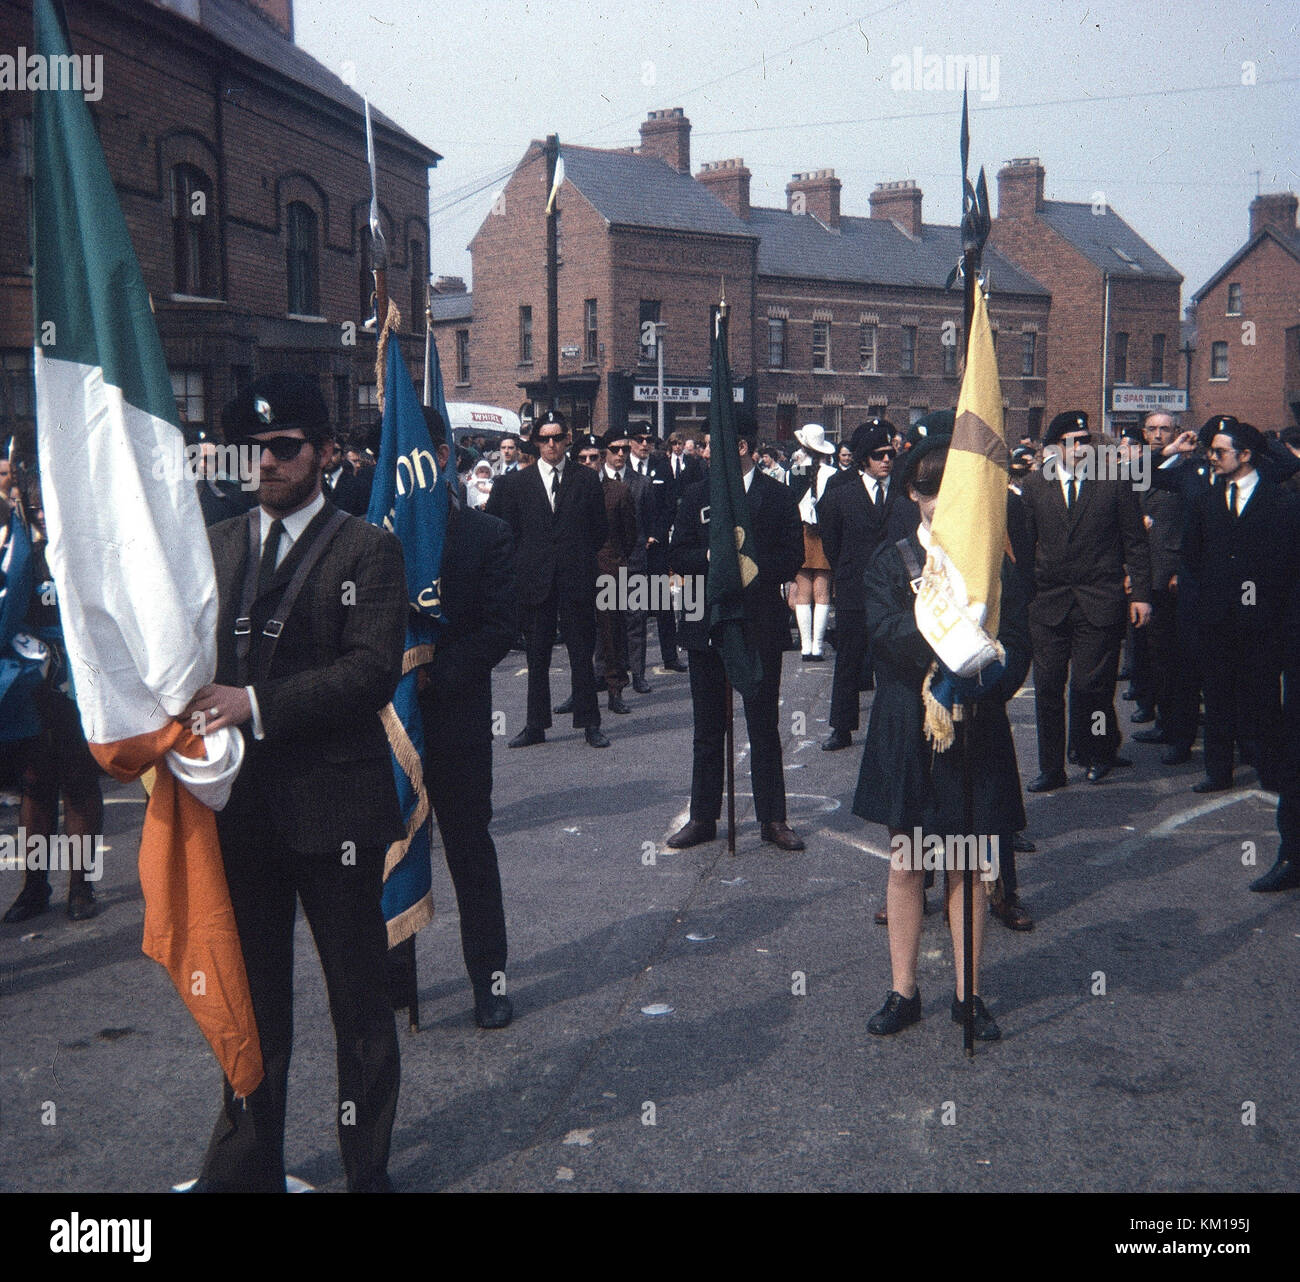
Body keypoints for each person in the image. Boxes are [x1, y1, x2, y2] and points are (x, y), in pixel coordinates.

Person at [183, 372, 407, 1193]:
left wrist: (253, 703)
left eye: (284, 448)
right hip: (241, 811)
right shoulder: (218, 544)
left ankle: (366, 1172)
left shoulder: (368, 547)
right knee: (252, 1008)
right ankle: (248, 1170)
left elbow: (372, 671)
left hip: (337, 809)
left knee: (358, 1009)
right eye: (255, 450)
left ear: (324, 453)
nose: (266, 464)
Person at [854, 438, 1032, 1041]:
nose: (938, 502)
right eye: (927, 491)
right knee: (908, 864)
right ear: (912, 494)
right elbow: (883, 637)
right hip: (911, 722)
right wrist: (950, 623)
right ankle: (903, 990)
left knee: (969, 865)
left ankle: (969, 993)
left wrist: (982, 679)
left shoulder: (991, 565)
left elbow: (1019, 648)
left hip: (975, 724)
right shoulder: (891, 560)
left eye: (949, 490)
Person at [416, 406, 517, 1026]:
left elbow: (500, 626)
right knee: (389, 852)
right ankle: (395, 983)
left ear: (446, 457)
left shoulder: (486, 536)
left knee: (469, 851)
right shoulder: (373, 535)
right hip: (385, 723)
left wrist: (438, 672)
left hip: (456, 717)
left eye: (423, 456)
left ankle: (490, 981)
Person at [666, 413, 805, 852]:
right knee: (708, 727)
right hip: (707, 622)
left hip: (758, 623)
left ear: (741, 447)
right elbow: (678, 553)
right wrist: (712, 556)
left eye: (712, 444)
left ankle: (773, 818)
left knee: (763, 725)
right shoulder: (695, 495)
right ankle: (703, 816)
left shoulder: (778, 496)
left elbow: (792, 556)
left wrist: (749, 564)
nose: (706, 453)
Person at [1019, 411, 1152, 790]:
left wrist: (1141, 595)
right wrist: (1024, 600)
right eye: (1071, 441)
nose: (1079, 448)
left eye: (1084, 440)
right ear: (1054, 448)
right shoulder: (1034, 485)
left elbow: (1135, 543)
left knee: (1091, 686)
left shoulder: (1113, 482)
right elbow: (1026, 549)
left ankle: (1097, 752)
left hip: (1099, 599)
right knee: (1047, 686)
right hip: (1049, 603)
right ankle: (1051, 768)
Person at [1, 475, 104, 924]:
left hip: (81, 687)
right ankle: (34, 887)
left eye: (51, 504)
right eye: (36, 505)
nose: (43, 512)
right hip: (31, 687)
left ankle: (82, 886)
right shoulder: (19, 552)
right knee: (35, 786)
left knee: (80, 785)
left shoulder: (96, 551)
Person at [1180, 418, 1297, 794]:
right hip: (1218, 617)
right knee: (1217, 695)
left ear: (1245, 455)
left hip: (1263, 619)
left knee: (1262, 696)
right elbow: (1193, 554)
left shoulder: (1280, 499)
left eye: (1220, 451)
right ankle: (1218, 770)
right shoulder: (1206, 500)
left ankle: (1269, 767)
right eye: (1211, 451)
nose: (1212, 458)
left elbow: (1287, 560)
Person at [485, 410, 610, 749]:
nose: (552, 444)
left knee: (581, 654)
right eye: (545, 438)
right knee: (536, 656)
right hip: (533, 581)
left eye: (557, 437)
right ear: (536, 442)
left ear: (567, 439)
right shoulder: (513, 484)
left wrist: (576, 556)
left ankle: (590, 722)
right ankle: (535, 725)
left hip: (576, 579)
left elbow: (599, 531)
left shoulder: (585, 480)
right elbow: (499, 533)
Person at [817, 419, 905, 751]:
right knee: (849, 659)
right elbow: (832, 543)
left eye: (890, 454)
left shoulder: (901, 491)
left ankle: (894, 726)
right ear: (863, 459)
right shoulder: (840, 495)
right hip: (855, 588)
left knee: (893, 661)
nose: (886, 460)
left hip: (893, 593)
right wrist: (847, 572)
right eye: (879, 455)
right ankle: (842, 727)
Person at [625, 424, 683, 679]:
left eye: (649, 440)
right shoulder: (622, 468)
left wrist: (655, 534)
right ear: (630, 442)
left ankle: (670, 656)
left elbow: (670, 506)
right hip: (630, 545)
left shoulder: (662, 467)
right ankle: (629, 660)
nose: (644, 444)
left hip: (656, 545)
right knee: (629, 604)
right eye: (639, 439)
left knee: (662, 605)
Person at [785, 423, 838, 661]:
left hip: (800, 532)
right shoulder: (834, 473)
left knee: (803, 593)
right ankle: (818, 646)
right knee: (823, 592)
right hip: (826, 532)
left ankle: (806, 647)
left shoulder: (793, 472)